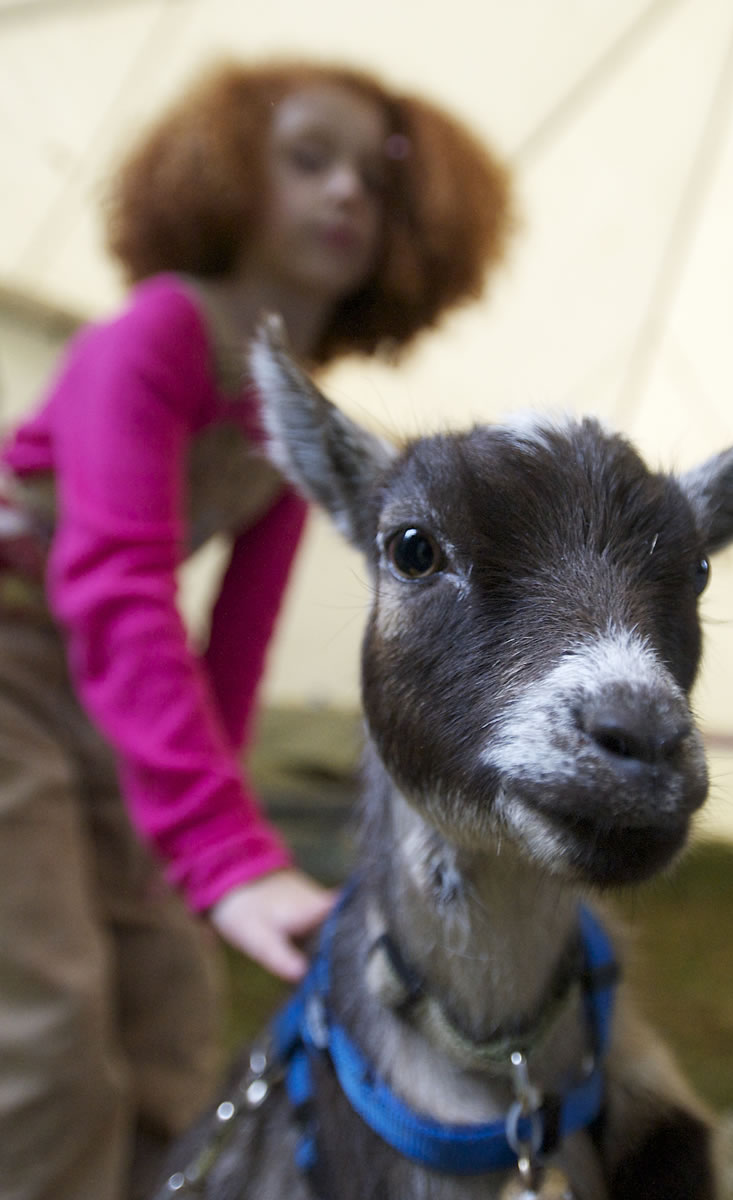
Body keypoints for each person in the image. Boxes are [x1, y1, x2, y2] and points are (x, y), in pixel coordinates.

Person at [0, 58, 512, 1200]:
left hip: (105, 683)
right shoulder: (152, 339)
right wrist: (221, 854)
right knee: (45, 1024)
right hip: (19, 654)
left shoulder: (294, 415)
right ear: (224, 174)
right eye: (306, 158)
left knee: (171, 1005)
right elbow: (118, 580)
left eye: (377, 181)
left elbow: (237, 634)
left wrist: (197, 840)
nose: (346, 195)